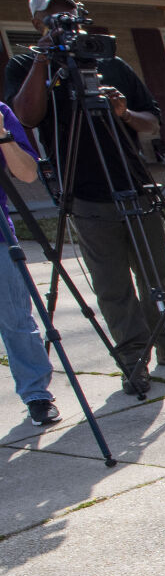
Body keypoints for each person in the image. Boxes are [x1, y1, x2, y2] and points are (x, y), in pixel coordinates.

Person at [4, 0, 165, 397]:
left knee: (154, 277)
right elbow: (26, 116)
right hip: (86, 192)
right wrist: (44, 55)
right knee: (112, 285)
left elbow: (152, 122)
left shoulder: (111, 63)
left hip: (134, 182)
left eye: (69, 14)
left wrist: (125, 112)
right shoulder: (26, 65)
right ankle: (132, 360)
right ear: (37, 23)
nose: (64, 23)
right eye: (53, 17)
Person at [0, 99, 57, 426]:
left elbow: (26, 173)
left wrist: (3, 135)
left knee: (16, 319)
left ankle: (37, 394)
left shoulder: (2, 112)